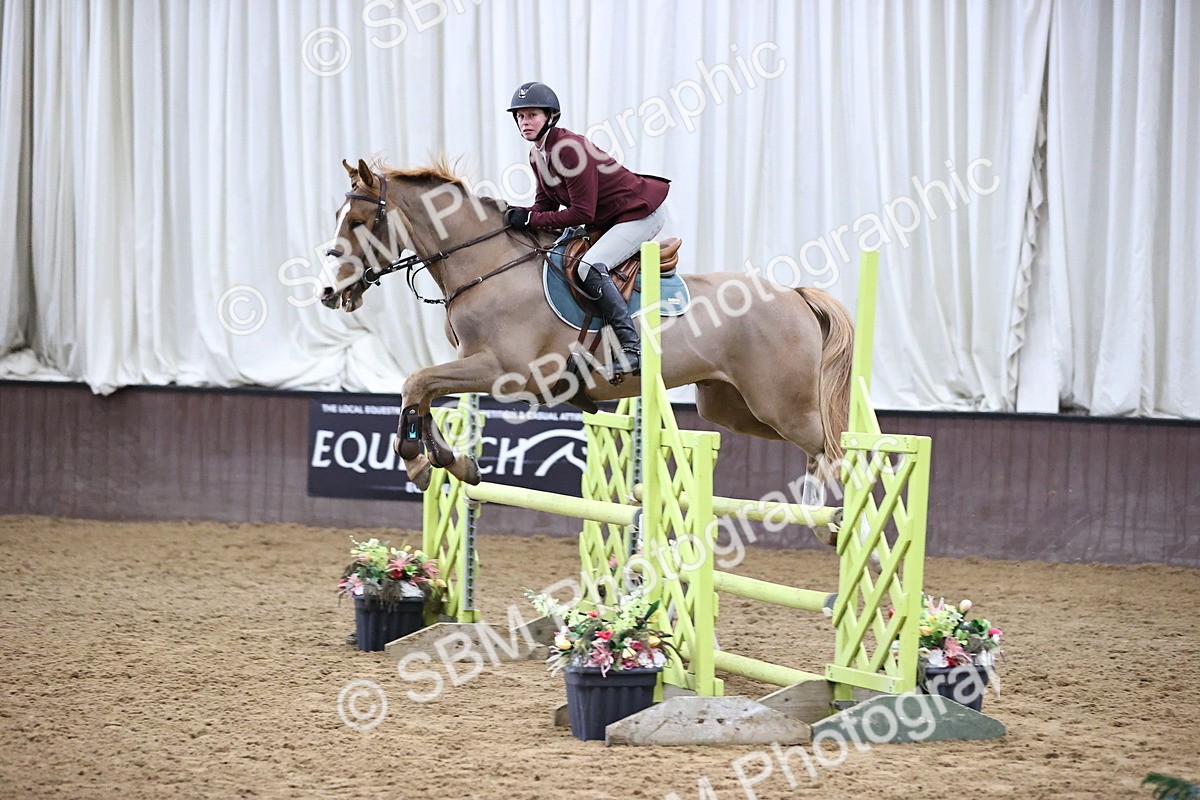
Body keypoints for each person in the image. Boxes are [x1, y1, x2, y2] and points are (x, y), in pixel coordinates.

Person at [503, 81, 669, 379]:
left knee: (588, 267)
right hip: (609, 219)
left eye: (531, 115)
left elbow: (582, 212)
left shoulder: (570, 150)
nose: (524, 122)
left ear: (550, 117)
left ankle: (631, 349)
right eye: (520, 116)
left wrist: (531, 221)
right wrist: (515, 214)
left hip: (639, 213)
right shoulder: (536, 154)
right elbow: (544, 205)